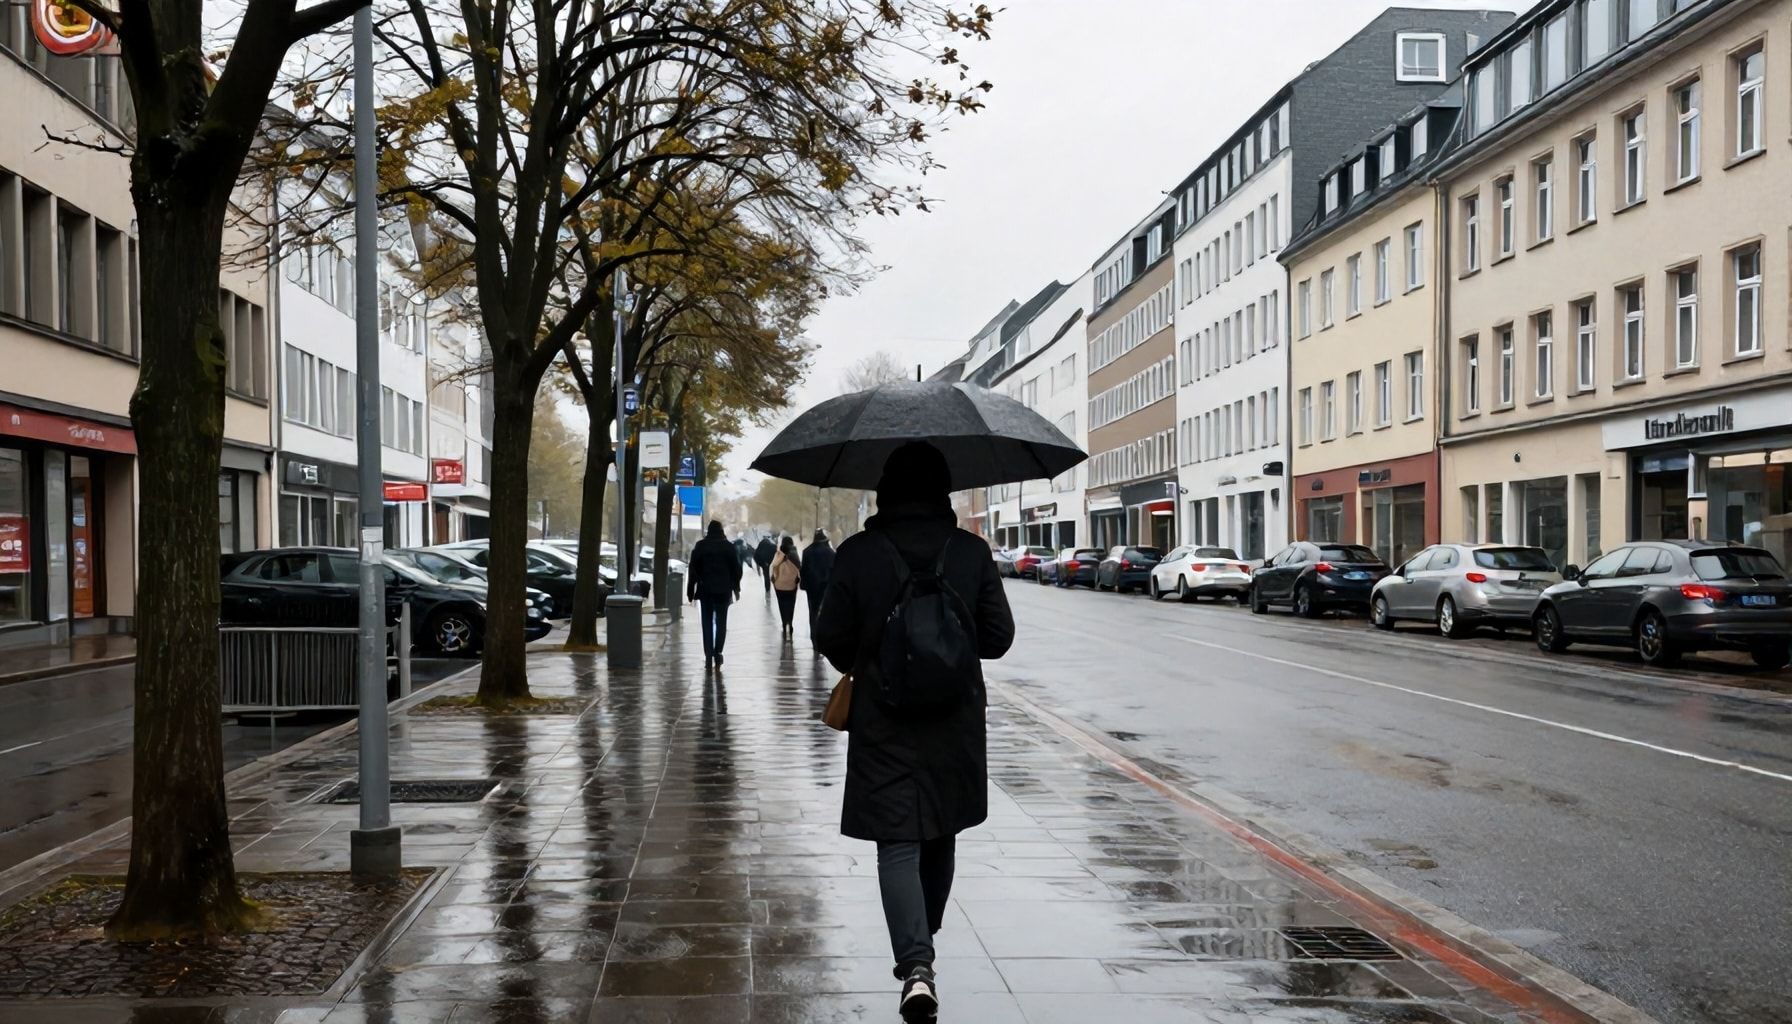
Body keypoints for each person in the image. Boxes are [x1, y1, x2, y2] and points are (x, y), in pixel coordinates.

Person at [814, 442, 1014, 1022]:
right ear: (943, 492)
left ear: (886, 492)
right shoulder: (971, 552)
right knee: (941, 830)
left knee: (897, 842)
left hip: (884, 717)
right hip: (954, 719)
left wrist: (877, 657)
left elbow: (831, 636)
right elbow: (998, 638)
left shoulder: (858, 553)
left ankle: (916, 966)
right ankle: (925, 938)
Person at [685, 520, 743, 669]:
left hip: (705, 591)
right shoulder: (728, 547)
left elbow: (693, 570)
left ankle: (708, 654)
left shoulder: (700, 546)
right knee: (721, 623)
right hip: (723, 591)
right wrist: (735, 587)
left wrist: (690, 590)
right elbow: (736, 569)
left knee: (707, 622)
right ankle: (718, 652)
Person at [800, 528, 836, 649]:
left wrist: (803, 584)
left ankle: (814, 636)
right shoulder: (830, 553)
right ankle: (821, 637)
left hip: (812, 587)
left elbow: (803, 571)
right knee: (824, 612)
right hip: (825, 587)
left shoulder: (807, 552)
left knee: (813, 612)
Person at [770, 535, 803, 638]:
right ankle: (790, 623)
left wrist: (773, 579)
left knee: (782, 604)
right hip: (791, 584)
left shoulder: (778, 554)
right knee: (791, 604)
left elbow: (773, 566)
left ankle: (784, 623)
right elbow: (799, 567)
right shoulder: (794, 553)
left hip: (779, 585)